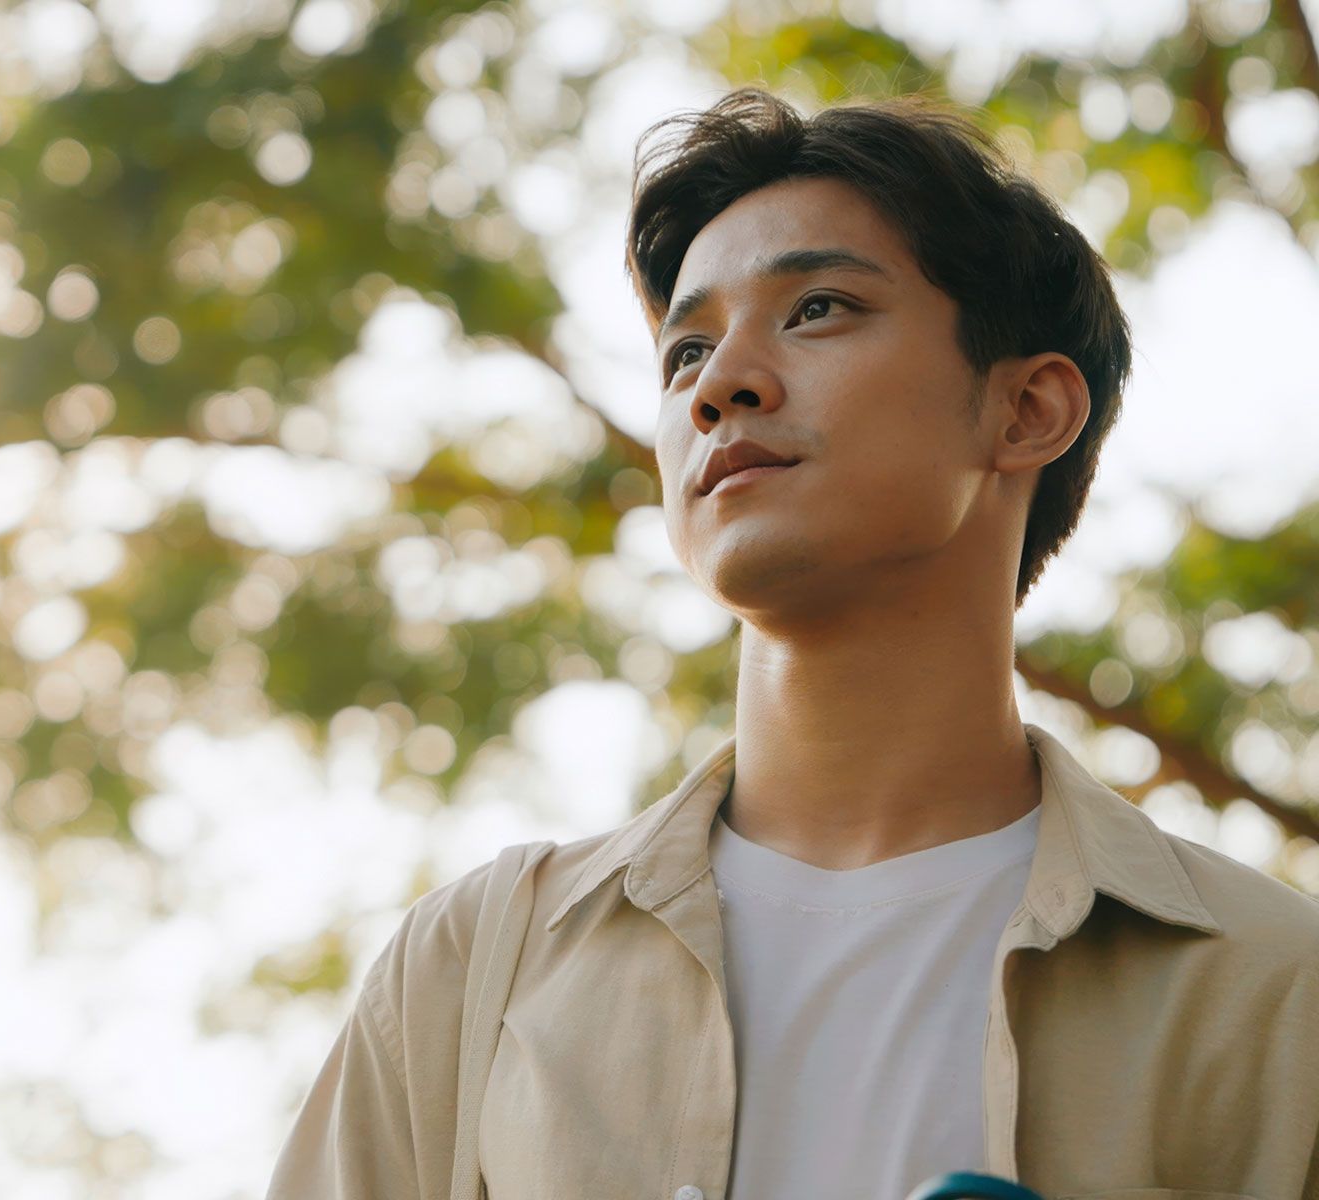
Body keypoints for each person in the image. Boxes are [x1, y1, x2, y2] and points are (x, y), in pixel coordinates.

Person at [265, 87, 1319, 1200]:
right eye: (685, 354)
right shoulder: (475, 970)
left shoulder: (1279, 992)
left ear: (1026, 414)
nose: (720, 387)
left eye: (817, 308)